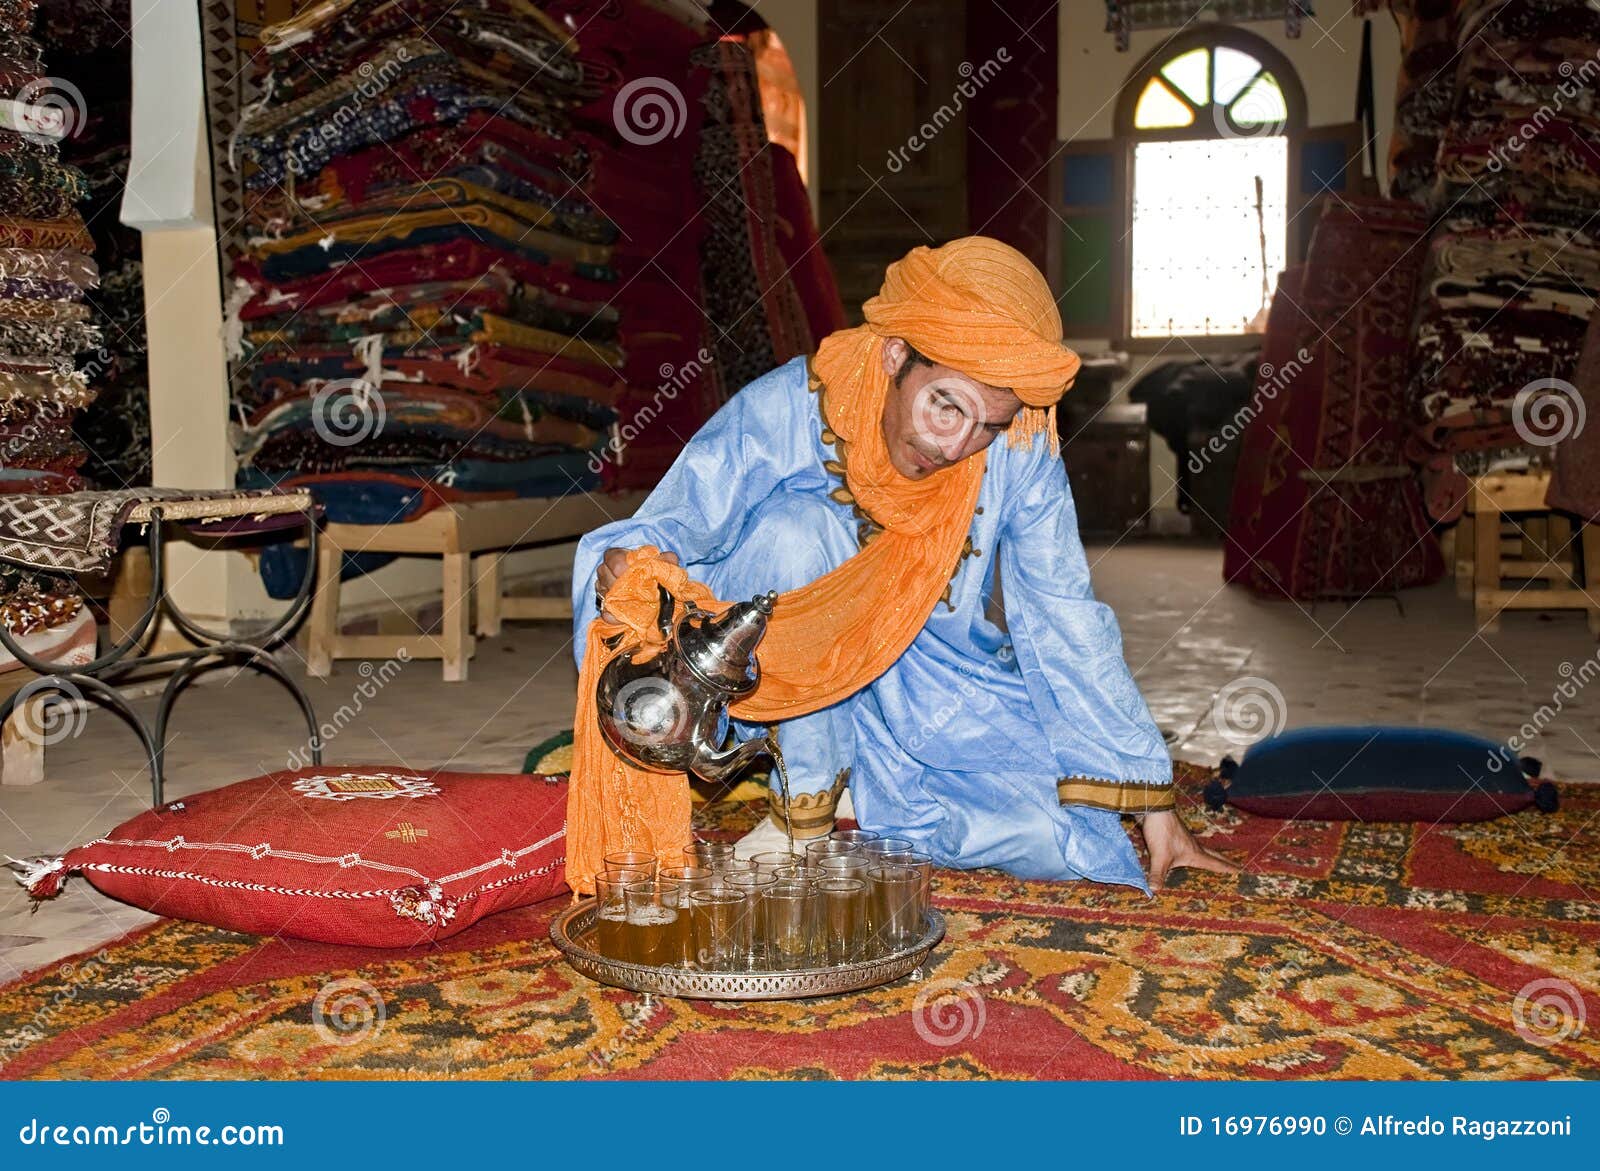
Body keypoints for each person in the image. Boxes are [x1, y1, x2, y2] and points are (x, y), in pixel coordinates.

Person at [570, 236, 1236, 894]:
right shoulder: (795, 405)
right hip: (787, 665)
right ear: (896, 354)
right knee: (798, 527)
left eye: (987, 425)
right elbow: (680, 516)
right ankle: (803, 807)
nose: (956, 445)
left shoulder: (1021, 447)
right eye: (945, 404)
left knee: (1060, 831)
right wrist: (632, 567)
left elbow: (1062, 609)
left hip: (931, 680)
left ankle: (871, 785)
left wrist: (1151, 799)